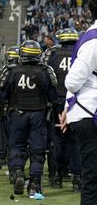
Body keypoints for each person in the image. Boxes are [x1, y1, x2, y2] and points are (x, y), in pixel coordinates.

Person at [0, 40, 57, 197]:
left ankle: (18, 172)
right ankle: (34, 184)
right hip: (38, 114)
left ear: (22, 53)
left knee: (17, 146)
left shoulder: (12, 71)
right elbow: (53, 96)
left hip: (17, 113)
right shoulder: (45, 71)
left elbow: (3, 94)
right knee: (38, 151)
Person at [58, 0, 97, 205]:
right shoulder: (94, 41)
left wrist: (67, 106)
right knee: (92, 179)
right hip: (91, 114)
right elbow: (72, 81)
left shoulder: (91, 38)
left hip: (85, 111)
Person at [43, 29, 82, 191]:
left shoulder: (53, 55)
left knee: (56, 140)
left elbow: (46, 79)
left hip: (58, 103)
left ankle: (57, 175)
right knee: (75, 141)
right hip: (77, 103)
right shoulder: (82, 53)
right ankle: (77, 178)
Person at [0, 45, 20, 173]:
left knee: (2, 136)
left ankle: (4, 158)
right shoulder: (23, 71)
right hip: (19, 110)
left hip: (3, 110)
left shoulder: (0, 73)